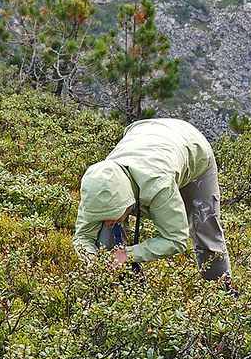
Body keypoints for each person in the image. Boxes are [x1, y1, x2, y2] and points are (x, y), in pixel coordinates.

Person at [73, 118, 231, 282]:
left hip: (191, 147)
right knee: (105, 233)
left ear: (129, 203)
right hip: (143, 134)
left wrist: (128, 254)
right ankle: (116, 290)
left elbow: (176, 239)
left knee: (205, 230)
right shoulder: (97, 186)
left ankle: (222, 294)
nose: (107, 221)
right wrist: (91, 261)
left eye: (112, 215)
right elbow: (83, 237)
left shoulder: (158, 185)